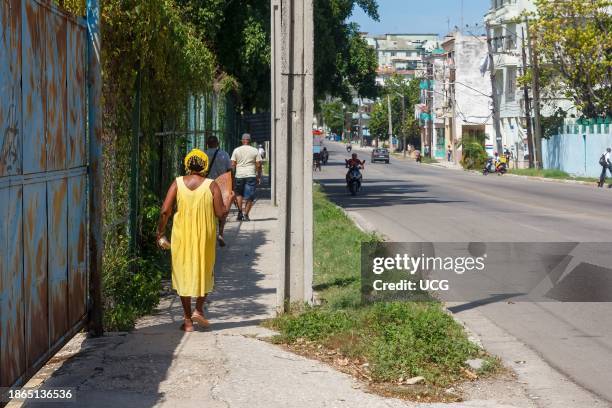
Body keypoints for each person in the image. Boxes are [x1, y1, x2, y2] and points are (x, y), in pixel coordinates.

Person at [156, 149, 234, 332]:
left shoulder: (177, 183)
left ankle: (188, 321)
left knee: (182, 271)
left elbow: (165, 211)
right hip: (205, 235)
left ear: (187, 164)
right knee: (205, 268)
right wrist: (228, 201)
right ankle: (198, 309)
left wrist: (160, 232)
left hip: (182, 234)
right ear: (205, 166)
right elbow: (220, 213)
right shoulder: (211, 185)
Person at [205, 136, 233, 247]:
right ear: (218, 143)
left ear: (207, 143)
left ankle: (208, 233)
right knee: (222, 210)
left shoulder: (203, 154)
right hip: (222, 186)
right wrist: (231, 187)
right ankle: (220, 233)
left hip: (206, 185)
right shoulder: (224, 154)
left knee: (208, 209)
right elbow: (230, 171)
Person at [231, 133, 262, 221]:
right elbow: (259, 165)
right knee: (250, 196)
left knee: (239, 194)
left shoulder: (236, 150)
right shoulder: (254, 150)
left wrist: (232, 176)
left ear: (242, 141)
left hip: (239, 175)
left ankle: (240, 212)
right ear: (250, 141)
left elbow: (233, 164)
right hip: (251, 175)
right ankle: (246, 215)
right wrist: (259, 176)